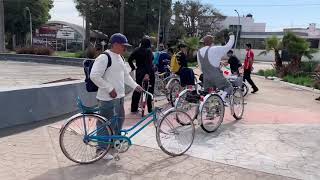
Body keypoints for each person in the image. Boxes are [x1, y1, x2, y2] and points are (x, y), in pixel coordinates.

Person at [90, 33, 144, 156]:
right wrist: (109, 88)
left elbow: (125, 76)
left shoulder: (120, 58)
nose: (125, 48)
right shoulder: (104, 57)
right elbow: (94, 76)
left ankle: (114, 142)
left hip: (119, 98)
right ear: (115, 44)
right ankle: (101, 149)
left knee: (119, 120)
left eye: (126, 46)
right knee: (105, 123)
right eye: (123, 45)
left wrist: (135, 86)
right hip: (107, 98)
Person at [197, 33, 235, 103]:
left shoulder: (199, 52)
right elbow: (228, 46)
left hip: (206, 77)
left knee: (209, 93)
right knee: (229, 87)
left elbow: (200, 67)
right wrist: (232, 36)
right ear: (212, 42)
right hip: (216, 76)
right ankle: (222, 98)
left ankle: (210, 109)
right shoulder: (215, 49)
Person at [128, 37, 155, 113]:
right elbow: (149, 64)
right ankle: (150, 109)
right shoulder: (149, 51)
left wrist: (133, 67)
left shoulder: (137, 50)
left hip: (139, 72)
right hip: (149, 72)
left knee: (137, 89)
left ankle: (134, 108)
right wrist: (147, 74)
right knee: (149, 90)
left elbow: (130, 59)